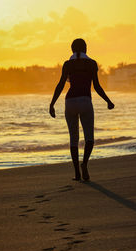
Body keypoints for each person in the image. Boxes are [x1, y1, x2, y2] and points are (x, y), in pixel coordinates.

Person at [49, 38, 114, 181]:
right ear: (86, 49)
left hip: (70, 101)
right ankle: (84, 164)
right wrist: (108, 101)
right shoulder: (91, 63)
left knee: (74, 139)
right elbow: (96, 86)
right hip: (85, 100)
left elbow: (60, 85)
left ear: (72, 50)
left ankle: (77, 174)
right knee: (89, 138)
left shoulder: (67, 64)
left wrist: (52, 104)